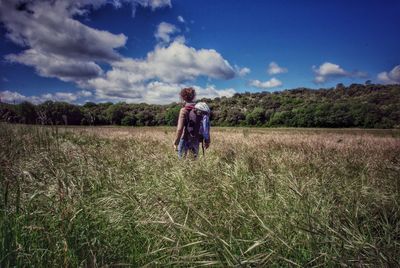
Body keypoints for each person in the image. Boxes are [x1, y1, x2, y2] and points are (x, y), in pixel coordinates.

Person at [173, 87, 211, 159]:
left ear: (183, 97)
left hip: (184, 138)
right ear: (194, 96)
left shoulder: (183, 110)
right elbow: (206, 126)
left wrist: (176, 142)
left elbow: (180, 129)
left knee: (181, 160)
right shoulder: (200, 110)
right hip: (196, 138)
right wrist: (207, 140)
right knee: (194, 160)